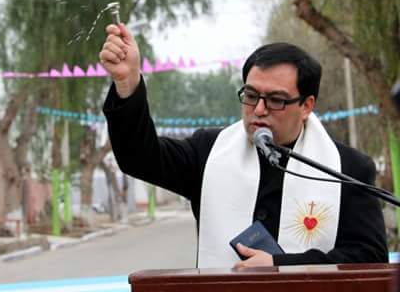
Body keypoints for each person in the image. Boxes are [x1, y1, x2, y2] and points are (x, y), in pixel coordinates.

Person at [99, 23, 388, 268]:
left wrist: (280, 266)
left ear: (306, 105)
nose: (259, 109)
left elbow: (370, 257)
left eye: (276, 100)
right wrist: (127, 83)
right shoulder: (210, 151)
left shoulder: (346, 169)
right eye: (251, 95)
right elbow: (139, 157)